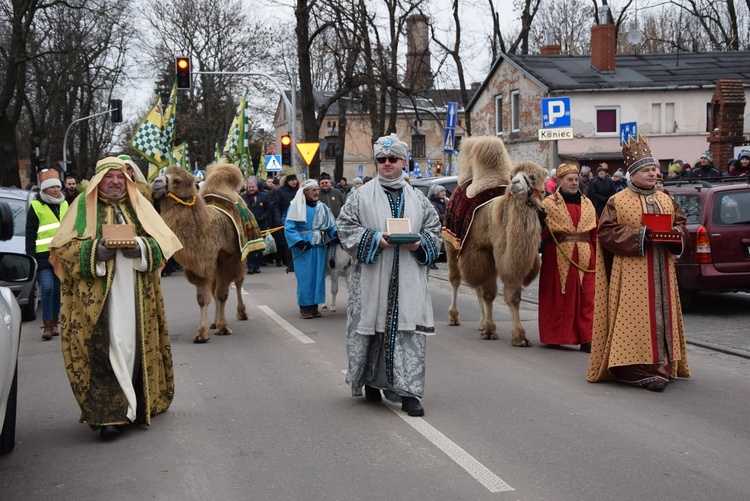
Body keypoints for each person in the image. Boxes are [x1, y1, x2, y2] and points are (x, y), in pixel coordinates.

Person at [49, 156, 182, 439]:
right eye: (109, 177)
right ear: (99, 180)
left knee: (132, 350)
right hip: (98, 302)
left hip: (136, 298)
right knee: (106, 349)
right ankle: (111, 416)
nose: (115, 181)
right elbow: (63, 248)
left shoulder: (139, 207)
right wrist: (95, 252)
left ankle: (136, 402)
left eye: (120, 177)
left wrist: (143, 249)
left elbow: (161, 244)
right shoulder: (82, 208)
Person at [337, 133, 442, 417]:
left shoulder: (419, 199)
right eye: (381, 159)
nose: (386, 163)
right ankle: (371, 381)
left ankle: (409, 393)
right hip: (373, 276)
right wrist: (373, 239)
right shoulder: (360, 196)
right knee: (374, 330)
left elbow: (435, 232)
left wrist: (420, 243)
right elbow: (344, 227)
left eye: (392, 159)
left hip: (408, 278)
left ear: (403, 162)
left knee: (406, 332)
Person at [587, 135, 691, 392]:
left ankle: (662, 363)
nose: (654, 173)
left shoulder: (666, 198)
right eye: (647, 170)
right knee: (634, 318)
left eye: (654, 168)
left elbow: (681, 224)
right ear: (633, 175)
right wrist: (641, 235)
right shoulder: (617, 201)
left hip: (663, 270)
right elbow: (606, 233)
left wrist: (676, 234)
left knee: (662, 315)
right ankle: (631, 366)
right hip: (632, 271)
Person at [538, 164, 597, 352]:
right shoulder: (548, 204)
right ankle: (556, 336)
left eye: (575, 179)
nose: (573, 183)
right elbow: (541, 233)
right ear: (560, 181)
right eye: (569, 180)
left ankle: (587, 338)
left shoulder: (588, 203)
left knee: (587, 298)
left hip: (586, 256)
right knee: (558, 297)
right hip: (557, 256)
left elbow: (595, 232)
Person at [284, 179, 337, 319]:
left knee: (318, 275)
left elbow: (330, 225)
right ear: (306, 191)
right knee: (305, 276)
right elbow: (289, 228)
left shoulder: (322, 207)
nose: (316, 192)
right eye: (313, 190)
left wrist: (335, 233)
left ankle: (314, 306)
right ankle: (305, 307)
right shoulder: (296, 207)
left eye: (317, 189)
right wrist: (299, 241)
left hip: (319, 245)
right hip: (304, 246)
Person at [26, 169, 68, 340]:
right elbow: (30, 233)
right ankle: (47, 326)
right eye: (52, 188)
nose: (56, 190)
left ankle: (55, 322)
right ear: (44, 190)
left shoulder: (65, 204)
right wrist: (31, 257)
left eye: (58, 187)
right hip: (43, 255)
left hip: (61, 255)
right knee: (48, 288)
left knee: (58, 290)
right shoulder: (36, 206)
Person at [241, 177, 272, 274]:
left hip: (261, 225)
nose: (251, 189)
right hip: (248, 226)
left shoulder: (264, 196)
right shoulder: (242, 197)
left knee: (260, 247)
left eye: (252, 187)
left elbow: (269, 209)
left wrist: (263, 217)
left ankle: (257, 266)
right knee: (250, 247)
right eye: (249, 187)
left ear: (256, 186)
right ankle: (250, 266)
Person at [272, 173, 299, 269]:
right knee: (288, 242)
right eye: (292, 180)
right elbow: (276, 206)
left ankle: (297, 262)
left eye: (295, 180)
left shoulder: (299, 191)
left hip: (298, 217)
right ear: (287, 181)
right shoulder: (280, 191)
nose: (294, 182)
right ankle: (290, 263)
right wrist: (278, 219)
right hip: (286, 216)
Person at [428, 184, 448, 269]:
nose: (444, 193)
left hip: (445, 227)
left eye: (444, 191)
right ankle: (432, 261)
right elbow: (437, 216)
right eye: (441, 191)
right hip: (437, 227)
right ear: (437, 193)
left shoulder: (446, 201)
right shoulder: (434, 204)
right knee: (436, 244)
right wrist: (447, 216)